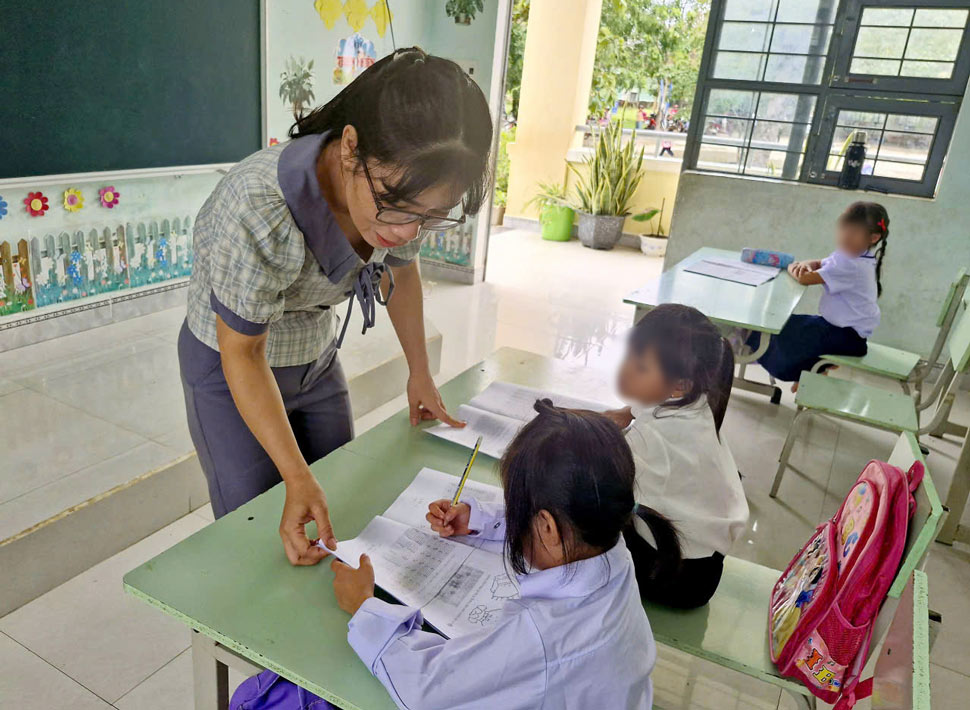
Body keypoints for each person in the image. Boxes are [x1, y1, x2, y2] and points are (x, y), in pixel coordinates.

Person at [177, 48, 491, 565]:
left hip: (315, 357)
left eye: (432, 216)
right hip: (231, 364)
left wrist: (421, 373)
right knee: (257, 524)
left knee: (340, 499)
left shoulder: (400, 196)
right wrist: (295, 476)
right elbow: (243, 352)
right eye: (397, 207)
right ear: (351, 149)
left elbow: (401, 271)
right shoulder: (258, 205)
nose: (407, 232)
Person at [231, 401, 680, 710]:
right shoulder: (613, 548)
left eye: (518, 508)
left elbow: (425, 687)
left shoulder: (540, 636)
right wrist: (479, 520)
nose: (514, 517)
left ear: (545, 525)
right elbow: (556, 531)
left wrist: (366, 607)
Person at [605, 304, 749, 609]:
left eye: (641, 366)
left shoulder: (654, 438)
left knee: (585, 519)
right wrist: (628, 412)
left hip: (679, 579)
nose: (625, 369)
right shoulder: (696, 403)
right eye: (629, 355)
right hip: (702, 562)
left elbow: (606, 482)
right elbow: (648, 412)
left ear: (679, 385)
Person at [754, 201, 889, 384]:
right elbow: (819, 263)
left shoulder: (851, 264)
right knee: (788, 325)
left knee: (784, 332)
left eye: (854, 233)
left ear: (873, 238)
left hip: (844, 337)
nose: (845, 237)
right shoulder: (852, 256)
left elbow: (805, 279)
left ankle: (805, 371)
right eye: (844, 229)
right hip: (846, 334)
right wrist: (806, 265)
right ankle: (812, 368)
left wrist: (793, 266)